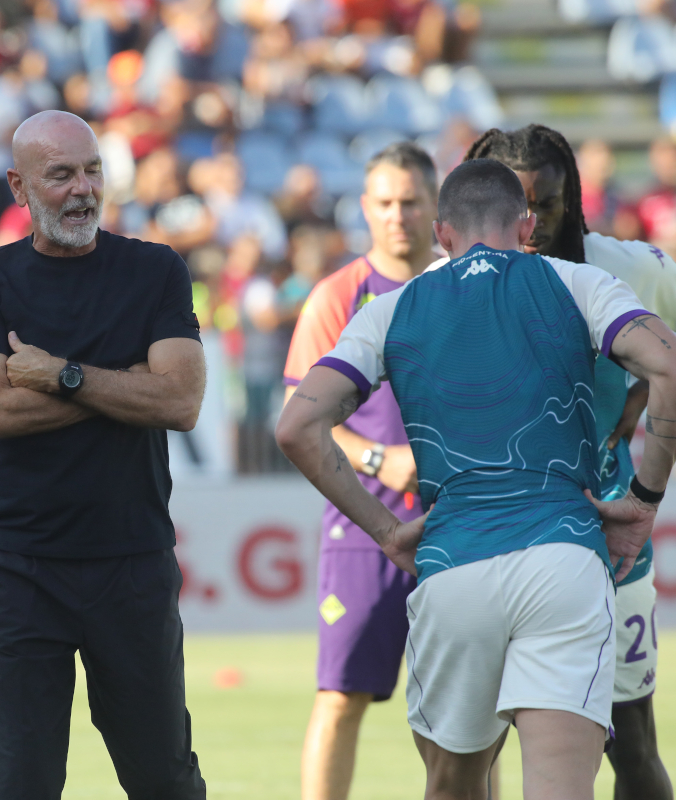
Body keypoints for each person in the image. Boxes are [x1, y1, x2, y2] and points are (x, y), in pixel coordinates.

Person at [275, 158, 676, 800]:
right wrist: (641, 503)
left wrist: (388, 531)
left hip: (454, 565)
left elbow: (296, 427)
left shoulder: (392, 308)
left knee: (453, 785)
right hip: (565, 558)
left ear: (441, 234)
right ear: (526, 224)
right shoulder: (580, 284)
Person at [0, 110, 207, 800]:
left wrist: (63, 373)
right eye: (60, 174)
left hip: (132, 561)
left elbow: (180, 403)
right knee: (20, 782)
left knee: (163, 778)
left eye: (93, 170)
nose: (82, 190)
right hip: (19, 568)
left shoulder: (155, 269)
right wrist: (126, 380)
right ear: (19, 186)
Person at [464, 124, 676, 800]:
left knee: (633, 745)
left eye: (551, 205)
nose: (532, 225)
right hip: (488, 543)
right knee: (468, 755)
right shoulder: (447, 280)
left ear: (575, 200)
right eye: (516, 207)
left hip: (608, 540)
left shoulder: (624, 268)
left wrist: (656, 386)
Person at [281, 142, 436, 800]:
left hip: (457, 522)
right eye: (384, 202)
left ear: (437, 208)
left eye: (411, 201)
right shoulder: (339, 295)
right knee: (341, 695)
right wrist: (381, 459)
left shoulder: (463, 286)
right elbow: (297, 415)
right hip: (364, 523)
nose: (397, 215)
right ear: (366, 209)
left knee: (463, 710)